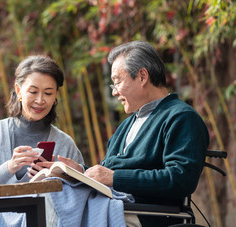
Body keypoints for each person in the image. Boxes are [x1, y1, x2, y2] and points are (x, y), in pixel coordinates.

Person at [42, 40, 209, 226]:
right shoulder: (126, 126)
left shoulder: (181, 118)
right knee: (51, 198)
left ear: (142, 76)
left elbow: (179, 180)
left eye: (117, 82)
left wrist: (113, 178)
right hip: (114, 207)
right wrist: (81, 172)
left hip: (146, 215)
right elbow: (108, 173)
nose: (114, 92)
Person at [0, 55, 84, 226]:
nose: (40, 100)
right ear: (19, 90)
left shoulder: (65, 144)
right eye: (33, 91)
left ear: (55, 97)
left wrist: (59, 178)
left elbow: (81, 194)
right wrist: (9, 167)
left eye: (48, 93)